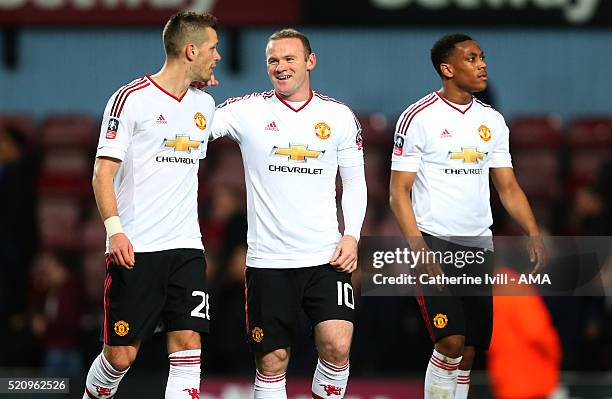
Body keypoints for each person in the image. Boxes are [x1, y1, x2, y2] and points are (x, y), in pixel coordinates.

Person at [210, 28, 367, 399]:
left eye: (289, 58)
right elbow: (197, 128)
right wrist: (192, 88)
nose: (281, 67)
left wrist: (352, 235)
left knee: (338, 345)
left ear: (310, 61)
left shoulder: (339, 116)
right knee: (272, 361)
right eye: (273, 61)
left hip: (326, 257)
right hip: (268, 261)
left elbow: (356, 183)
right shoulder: (247, 111)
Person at [389, 33, 546, 399]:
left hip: (478, 244)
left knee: (470, 350)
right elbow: (398, 192)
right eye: (472, 59)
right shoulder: (418, 118)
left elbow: (507, 187)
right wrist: (418, 247)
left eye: (482, 57)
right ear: (447, 69)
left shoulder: (493, 121)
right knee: (451, 341)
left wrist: (533, 231)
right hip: (434, 242)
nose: (482, 64)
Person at [83, 11, 221, 399]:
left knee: (188, 344)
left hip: (187, 247)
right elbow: (101, 175)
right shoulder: (130, 100)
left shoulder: (205, 106)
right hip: (137, 247)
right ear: (191, 49)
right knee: (121, 356)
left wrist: (199, 79)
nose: (218, 57)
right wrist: (115, 232)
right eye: (213, 48)